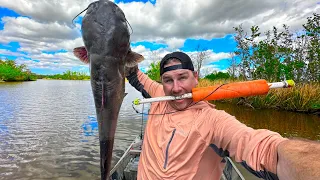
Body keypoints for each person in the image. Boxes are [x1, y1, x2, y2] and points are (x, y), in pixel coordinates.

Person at [125, 51, 320, 180]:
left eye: (183, 77)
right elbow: (132, 72)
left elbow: (263, 149)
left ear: (196, 77)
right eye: (168, 80)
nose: (176, 88)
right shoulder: (159, 94)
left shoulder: (212, 120)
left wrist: (306, 161)